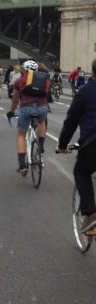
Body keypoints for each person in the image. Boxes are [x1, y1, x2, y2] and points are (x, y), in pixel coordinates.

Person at [56, 59, 96, 232]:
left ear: (92, 71)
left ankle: (91, 214)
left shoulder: (85, 92)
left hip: (93, 142)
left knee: (81, 172)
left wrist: (63, 144)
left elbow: (71, 122)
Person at [7, 60, 50, 175]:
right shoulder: (44, 79)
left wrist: (11, 111)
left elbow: (15, 100)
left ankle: (22, 165)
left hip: (26, 108)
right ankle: (40, 146)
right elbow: (46, 95)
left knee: (21, 134)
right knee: (41, 122)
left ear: (24, 69)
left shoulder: (20, 81)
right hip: (42, 108)